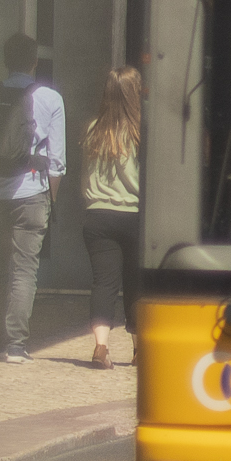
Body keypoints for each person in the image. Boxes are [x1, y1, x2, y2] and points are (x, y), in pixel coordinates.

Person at [0, 30, 66, 363]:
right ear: (35, 62)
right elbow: (57, 161)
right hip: (32, 191)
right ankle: (16, 346)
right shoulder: (50, 98)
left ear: (5, 62)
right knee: (24, 270)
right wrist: (53, 198)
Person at [79, 66, 142, 369]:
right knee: (136, 283)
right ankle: (139, 348)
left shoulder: (93, 129)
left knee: (103, 283)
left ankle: (101, 347)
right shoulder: (140, 132)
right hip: (133, 215)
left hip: (98, 215)